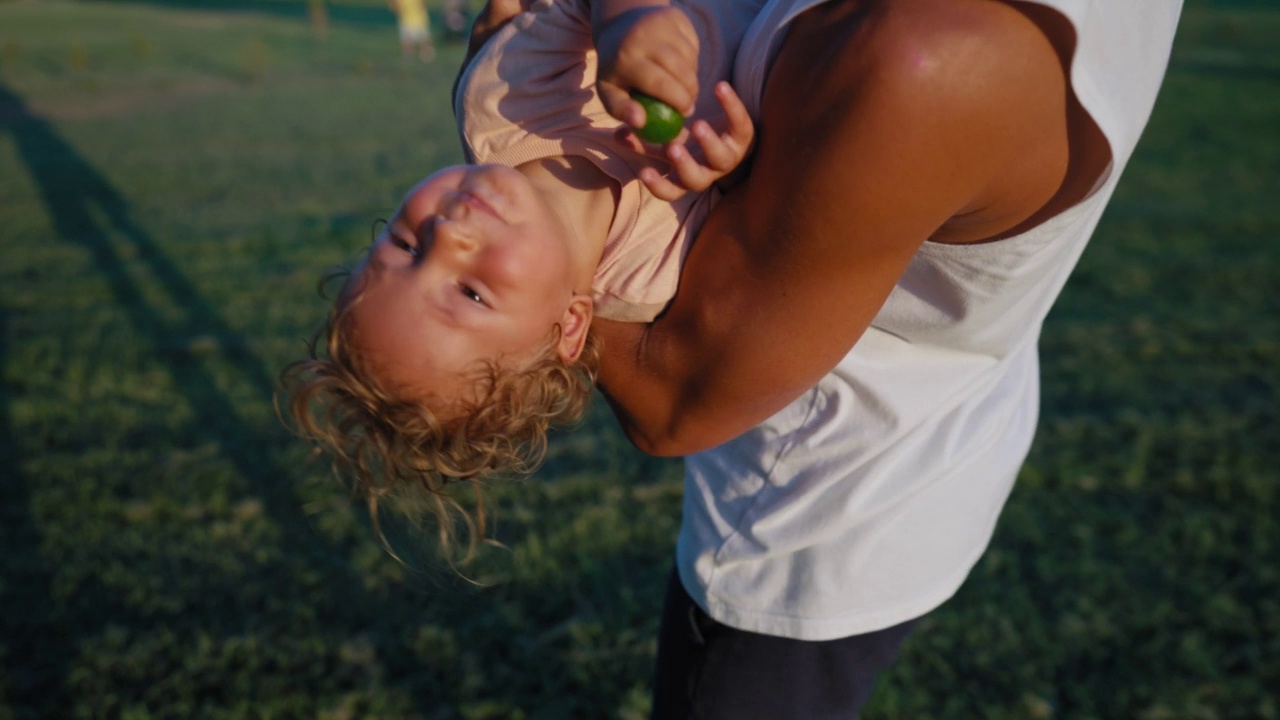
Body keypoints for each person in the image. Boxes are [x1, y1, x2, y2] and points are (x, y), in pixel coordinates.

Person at [571, 0, 1184, 716]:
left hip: (806, 519)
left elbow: (669, 397)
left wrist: (513, 138)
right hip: (948, 436)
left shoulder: (924, 59)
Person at [284, 0, 759, 554]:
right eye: (470, 292)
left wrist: (623, 18)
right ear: (572, 327)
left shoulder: (502, 102)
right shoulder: (659, 277)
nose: (446, 235)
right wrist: (734, 162)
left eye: (406, 244)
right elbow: (770, 203)